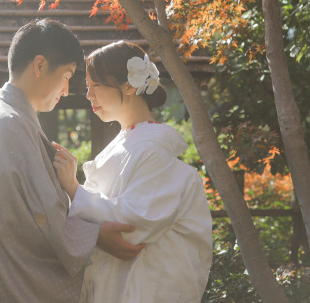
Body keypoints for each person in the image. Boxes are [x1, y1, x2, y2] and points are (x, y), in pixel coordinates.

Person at [0, 20, 145, 303]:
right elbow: (30, 223)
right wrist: (94, 236)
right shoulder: (6, 124)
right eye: (67, 75)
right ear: (40, 66)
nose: (67, 90)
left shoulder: (1, 117)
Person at [52, 40, 213, 303]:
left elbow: (130, 230)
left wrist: (73, 188)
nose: (89, 95)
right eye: (87, 87)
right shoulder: (131, 142)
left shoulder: (152, 148)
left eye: (96, 85)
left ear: (129, 85)